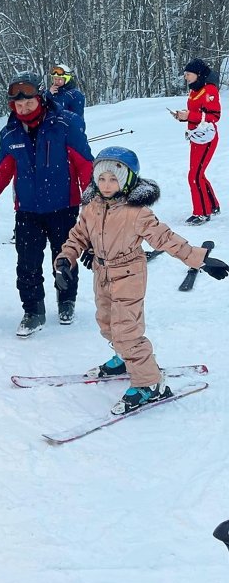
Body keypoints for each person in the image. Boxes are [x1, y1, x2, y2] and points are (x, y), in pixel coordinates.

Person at [53, 146, 228, 415]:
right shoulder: (91, 208)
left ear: (128, 181)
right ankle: (124, 359)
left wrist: (200, 260)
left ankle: (150, 384)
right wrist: (65, 260)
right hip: (102, 273)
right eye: (101, 178)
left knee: (127, 331)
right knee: (106, 322)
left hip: (128, 275)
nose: (107, 184)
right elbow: (78, 237)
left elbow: (167, 240)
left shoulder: (138, 213)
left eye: (114, 179)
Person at [0, 71, 94, 337]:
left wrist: (92, 203)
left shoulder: (66, 123)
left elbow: (85, 165)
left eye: (29, 102)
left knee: (64, 258)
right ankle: (33, 310)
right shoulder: (10, 133)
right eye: (18, 104)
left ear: (41, 98)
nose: (23, 108)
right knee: (27, 264)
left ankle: (66, 301)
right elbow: (2, 172)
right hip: (27, 210)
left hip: (64, 206)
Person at [172, 57, 221, 224]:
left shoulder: (209, 91)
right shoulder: (194, 90)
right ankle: (212, 205)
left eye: (188, 74)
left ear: (198, 74)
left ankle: (202, 212)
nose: (185, 77)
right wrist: (183, 117)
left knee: (194, 176)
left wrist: (190, 116)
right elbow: (197, 113)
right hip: (196, 137)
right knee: (198, 173)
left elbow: (214, 116)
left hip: (206, 138)